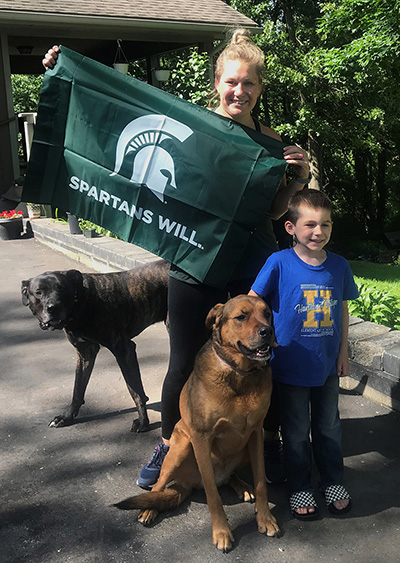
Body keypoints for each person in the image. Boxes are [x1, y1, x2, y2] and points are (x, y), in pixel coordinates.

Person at [42, 30, 311, 489]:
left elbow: (269, 211)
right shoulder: (191, 126)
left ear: (259, 88)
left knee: (265, 355)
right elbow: (121, 108)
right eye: (231, 82)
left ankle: (264, 444)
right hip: (194, 261)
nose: (238, 91)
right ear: (217, 82)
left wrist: (296, 179)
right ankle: (171, 442)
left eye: (248, 84)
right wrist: (64, 71)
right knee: (184, 360)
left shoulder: (269, 141)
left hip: (252, 263)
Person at [249, 188, 359, 520]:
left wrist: (344, 352)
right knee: (295, 432)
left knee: (328, 426)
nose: (318, 232)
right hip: (290, 367)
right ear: (291, 228)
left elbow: (341, 312)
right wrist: (264, 336)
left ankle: (332, 480)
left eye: (325, 225)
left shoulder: (339, 266)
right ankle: (299, 484)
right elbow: (253, 301)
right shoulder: (278, 262)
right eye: (310, 224)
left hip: (326, 366)